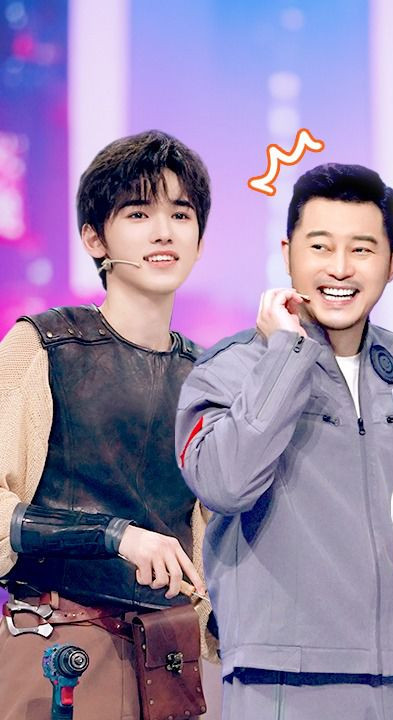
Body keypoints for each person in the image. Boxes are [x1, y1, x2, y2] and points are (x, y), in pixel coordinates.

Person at [176, 163, 393, 718]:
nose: (340, 268)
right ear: (288, 254)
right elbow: (225, 484)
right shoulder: (230, 368)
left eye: (362, 249)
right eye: (320, 246)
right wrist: (285, 356)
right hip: (282, 674)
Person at [0, 130, 211, 720]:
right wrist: (114, 535)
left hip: (171, 665)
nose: (164, 232)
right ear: (95, 237)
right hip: (58, 653)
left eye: (181, 214)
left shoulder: (209, 376)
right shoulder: (44, 346)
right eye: (139, 213)